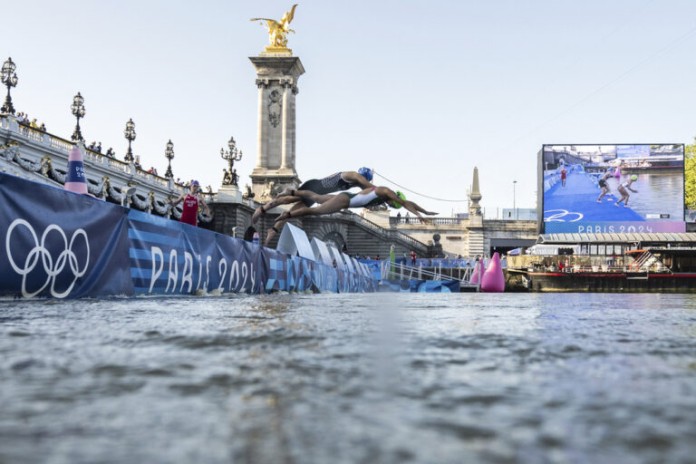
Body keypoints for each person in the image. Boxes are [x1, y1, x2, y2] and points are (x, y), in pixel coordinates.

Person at [252, 168, 375, 244]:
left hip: (316, 194)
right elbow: (370, 188)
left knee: (291, 213)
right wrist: (383, 193)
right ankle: (261, 209)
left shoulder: (354, 183)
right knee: (287, 199)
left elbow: (364, 192)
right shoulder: (354, 175)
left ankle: (272, 232)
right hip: (314, 186)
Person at [273, 186, 437, 227]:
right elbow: (404, 203)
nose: (389, 205)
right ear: (393, 198)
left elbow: (409, 203)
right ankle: (286, 215)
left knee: (316, 197)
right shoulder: (385, 191)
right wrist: (419, 216)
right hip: (345, 201)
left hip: (346, 197)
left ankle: (291, 191)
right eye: (392, 204)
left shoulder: (383, 194)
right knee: (315, 210)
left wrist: (425, 211)